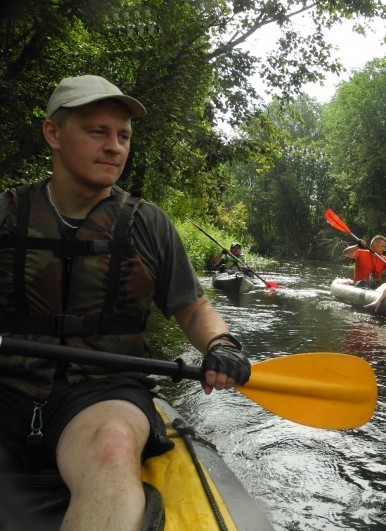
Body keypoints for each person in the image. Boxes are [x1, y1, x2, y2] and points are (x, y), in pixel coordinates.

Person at [0, 75, 250, 530]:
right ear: (53, 133)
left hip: (103, 391)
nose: (114, 147)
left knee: (112, 445)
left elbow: (193, 308)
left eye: (123, 136)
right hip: (7, 385)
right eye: (98, 132)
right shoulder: (6, 214)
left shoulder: (147, 223)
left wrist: (222, 344)